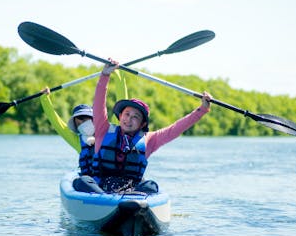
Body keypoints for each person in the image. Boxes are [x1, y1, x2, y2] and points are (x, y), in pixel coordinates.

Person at [75, 59, 212, 194]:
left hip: (130, 191)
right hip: (100, 189)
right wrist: (105, 75)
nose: (129, 119)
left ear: (143, 124)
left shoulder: (149, 140)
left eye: (135, 117)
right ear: (120, 116)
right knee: (82, 181)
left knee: (151, 186)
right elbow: (99, 105)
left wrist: (202, 109)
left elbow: (176, 129)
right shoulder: (103, 130)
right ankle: (103, 200)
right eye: (127, 114)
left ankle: (132, 205)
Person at [39, 70, 128, 189]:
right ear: (75, 124)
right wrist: (45, 99)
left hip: (115, 181)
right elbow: (56, 122)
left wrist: (117, 75)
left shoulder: (112, 130)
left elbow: (122, 103)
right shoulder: (77, 142)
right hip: (93, 185)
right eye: (80, 119)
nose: (84, 122)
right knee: (81, 181)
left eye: (88, 118)